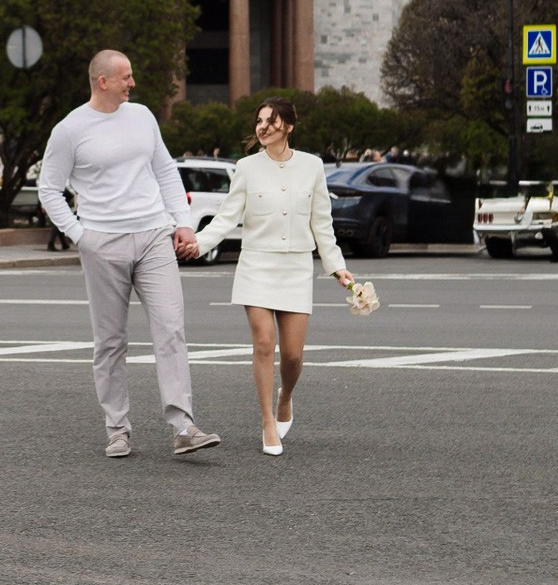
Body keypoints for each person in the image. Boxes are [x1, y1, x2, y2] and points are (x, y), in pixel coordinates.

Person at [38, 49, 220, 459]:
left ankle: (183, 426)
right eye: (126, 77)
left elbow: (165, 171)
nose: (132, 83)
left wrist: (183, 221)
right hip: (102, 242)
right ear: (102, 81)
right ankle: (117, 428)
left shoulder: (142, 117)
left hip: (154, 235)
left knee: (171, 328)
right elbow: (48, 188)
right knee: (110, 342)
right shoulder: (70, 130)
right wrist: (80, 236)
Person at [182, 97, 353, 456]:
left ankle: (285, 396)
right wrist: (199, 243)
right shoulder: (246, 167)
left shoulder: (312, 166)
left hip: (295, 267)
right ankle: (266, 423)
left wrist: (337, 267)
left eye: (271, 122)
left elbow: (322, 223)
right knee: (263, 344)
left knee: (292, 355)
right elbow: (227, 218)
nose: (263, 127)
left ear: (288, 127)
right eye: (259, 121)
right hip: (256, 265)